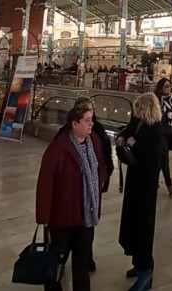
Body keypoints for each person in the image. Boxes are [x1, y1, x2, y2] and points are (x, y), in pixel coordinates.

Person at [37, 105, 104, 291]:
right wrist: (43, 216)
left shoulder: (94, 141)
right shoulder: (59, 148)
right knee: (57, 263)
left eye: (92, 119)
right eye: (87, 120)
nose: (92, 124)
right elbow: (45, 183)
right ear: (74, 124)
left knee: (82, 264)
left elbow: (100, 168)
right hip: (63, 219)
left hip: (86, 217)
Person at [117, 93, 164, 291]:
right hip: (134, 177)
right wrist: (122, 138)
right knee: (133, 219)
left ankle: (146, 268)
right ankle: (138, 261)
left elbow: (156, 156)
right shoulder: (138, 120)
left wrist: (136, 145)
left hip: (146, 181)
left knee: (144, 222)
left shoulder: (156, 129)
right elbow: (128, 131)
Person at [154, 78, 172, 197]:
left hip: (170, 132)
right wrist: (169, 116)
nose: (169, 89)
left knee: (160, 158)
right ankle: (169, 184)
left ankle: (154, 179)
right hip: (160, 133)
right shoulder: (157, 100)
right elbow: (158, 115)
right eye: (166, 86)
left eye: (170, 86)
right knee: (164, 159)